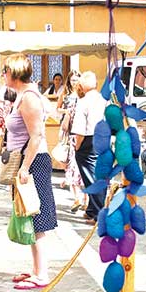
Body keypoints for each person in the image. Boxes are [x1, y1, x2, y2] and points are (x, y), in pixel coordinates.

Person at [0, 54, 58, 290]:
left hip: (33, 162)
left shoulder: (29, 97)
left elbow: (37, 135)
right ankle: (36, 269)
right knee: (29, 214)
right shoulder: (22, 95)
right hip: (27, 161)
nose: (3, 75)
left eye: (5, 71)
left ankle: (42, 274)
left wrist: (24, 167)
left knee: (36, 216)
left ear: (14, 72)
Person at [70, 71, 106, 223]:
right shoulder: (103, 99)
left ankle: (98, 213)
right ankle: (92, 210)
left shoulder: (83, 102)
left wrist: (77, 146)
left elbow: (80, 129)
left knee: (91, 177)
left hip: (89, 140)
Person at [57, 70, 85, 213]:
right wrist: (66, 111)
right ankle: (77, 196)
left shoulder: (83, 95)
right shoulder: (66, 94)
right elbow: (58, 108)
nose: (74, 82)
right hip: (68, 130)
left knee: (78, 164)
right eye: (72, 80)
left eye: (76, 79)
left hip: (80, 132)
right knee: (69, 161)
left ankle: (82, 197)